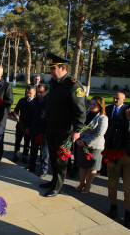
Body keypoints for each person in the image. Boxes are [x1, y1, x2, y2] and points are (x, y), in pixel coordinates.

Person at [40, 53, 86, 198]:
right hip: (52, 127)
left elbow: (80, 111)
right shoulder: (54, 83)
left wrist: (77, 130)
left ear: (63, 68)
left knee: (60, 159)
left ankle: (58, 187)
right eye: (50, 68)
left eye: (53, 69)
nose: (50, 71)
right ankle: (54, 181)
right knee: (53, 157)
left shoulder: (73, 85)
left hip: (65, 130)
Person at [75, 97, 108, 194]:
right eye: (91, 104)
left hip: (94, 147)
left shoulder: (102, 118)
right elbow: (81, 128)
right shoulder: (86, 113)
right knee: (82, 165)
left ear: (100, 107)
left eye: (94, 104)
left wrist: (86, 142)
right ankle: (82, 183)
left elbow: (99, 134)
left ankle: (88, 185)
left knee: (91, 168)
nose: (91, 106)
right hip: (82, 144)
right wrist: (79, 139)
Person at [106, 107, 130, 228]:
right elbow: (110, 134)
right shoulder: (122, 112)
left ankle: (128, 213)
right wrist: (109, 156)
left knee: (128, 188)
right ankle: (113, 206)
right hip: (115, 155)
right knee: (112, 183)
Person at [102, 92, 127, 176]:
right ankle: (104, 170)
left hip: (119, 138)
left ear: (124, 100)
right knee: (106, 152)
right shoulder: (108, 108)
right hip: (107, 135)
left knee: (116, 156)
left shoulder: (126, 110)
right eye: (114, 98)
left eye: (118, 98)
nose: (115, 100)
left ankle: (117, 171)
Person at [26, 84, 49, 178]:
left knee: (44, 151)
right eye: (38, 92)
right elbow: (30, 115)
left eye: (41, 92)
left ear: (46, 92)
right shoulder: (35, 101)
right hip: (34, 129)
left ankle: (44, 169)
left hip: (44, 131)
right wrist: (28, 127)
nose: (39, 94)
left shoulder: (49, 102)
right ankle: (32, 166)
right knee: (33, 149)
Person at [12, 86, 36, 163]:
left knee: (27, 142)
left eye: (30, 93)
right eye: (27, 93)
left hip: (30, 125)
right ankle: (16, 155)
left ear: (34, 93)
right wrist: (16, 116)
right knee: (17, 140)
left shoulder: (35, 102)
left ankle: (25, 156)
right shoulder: (22, 100)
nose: (28, 94)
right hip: (20, 123)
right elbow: (15, 110)